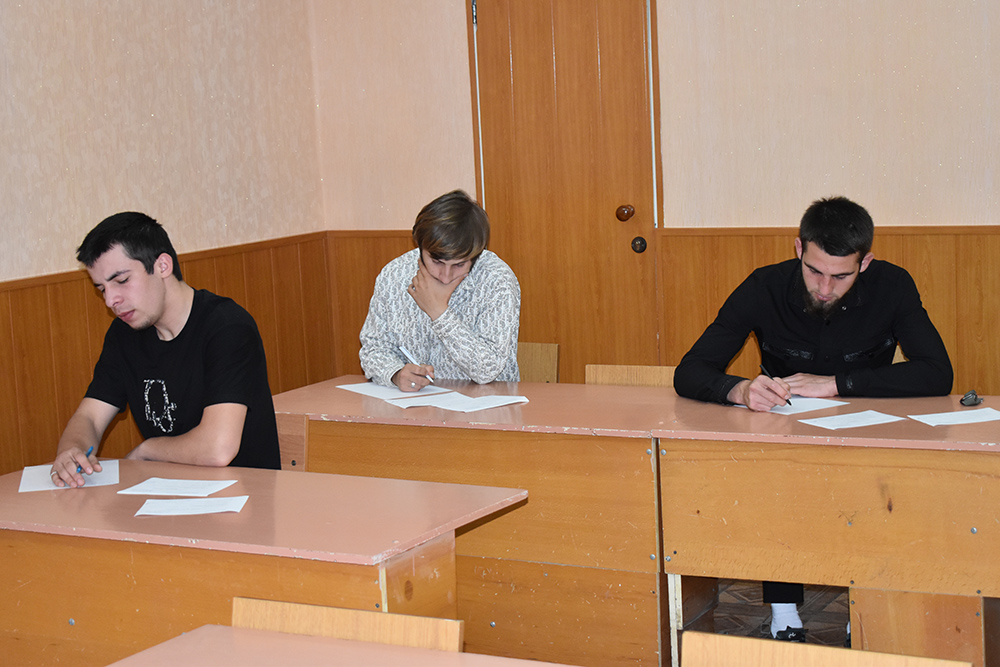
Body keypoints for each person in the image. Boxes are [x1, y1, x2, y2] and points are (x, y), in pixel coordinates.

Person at [673, 196, 953, 641]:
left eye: (841, 276)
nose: (824, 288)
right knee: (776, 486)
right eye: (814, 271)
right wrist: (739, 389)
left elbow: (937, 372)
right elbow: (690, 370)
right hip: (784, 434)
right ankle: (784, 615)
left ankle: (863, 613)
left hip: (866, 433)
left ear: (865, 263)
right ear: (799, 249)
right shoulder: (764, 286)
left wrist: (838, 383)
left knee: (884, 494)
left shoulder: (893, 285)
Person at [50, 212, 280, 487]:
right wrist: (72, 451)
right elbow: (89, 416)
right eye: (101, 289)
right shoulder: (123, 334)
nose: (110, 300)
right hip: (165, 495)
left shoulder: (228, 327)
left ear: (162, 266)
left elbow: (218, 448)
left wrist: (147, 450)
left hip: (243, 497)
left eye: (121, 281)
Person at [360, 189, 520, 390]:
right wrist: (395, 374)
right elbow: (373, 349)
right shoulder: (394, 274)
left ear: (477, 255)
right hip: (415, 403)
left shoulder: (497, 280)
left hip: (488, 403)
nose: (445, 276)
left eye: (459, 265)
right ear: (420, 248)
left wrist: (438, 312)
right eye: (436, 262)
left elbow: (487, 370)